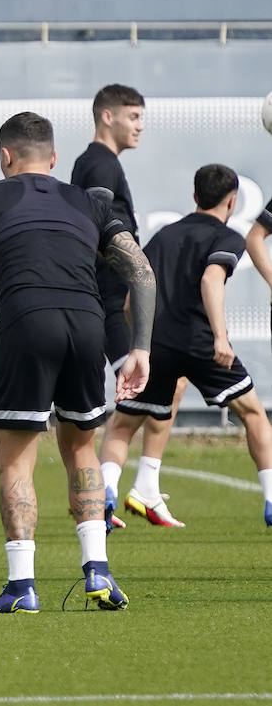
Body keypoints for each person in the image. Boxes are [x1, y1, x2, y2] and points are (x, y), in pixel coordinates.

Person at [0, 111, 154, 614]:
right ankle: (99, 573)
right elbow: (143, 273)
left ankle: (22, 586)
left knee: (17, 456)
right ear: (54, 159)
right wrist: (140, 348)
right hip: (86, 327)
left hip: (27, 324)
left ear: (4, 156)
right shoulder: (88, 201)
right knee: (81, 448)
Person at [115, 165, 272, 525]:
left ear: (194, 197)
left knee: (127, 422)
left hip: (157, 345)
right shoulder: (227, 236)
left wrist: (140, 344)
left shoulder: (162, 236)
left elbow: (131, 300)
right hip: (201, 344)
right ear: (232, 201)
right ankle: (271, 499)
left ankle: (127, 491)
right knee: (252, 414)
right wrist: (219, 336)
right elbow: (211, 280)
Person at [74, 84, 185, 529]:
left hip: (111, 296)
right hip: (111, 299)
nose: (140, 125)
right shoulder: (99, 164)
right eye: (133, 116)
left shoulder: (100, 162)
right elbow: (93, 222)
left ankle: (132, 488)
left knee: (159, 386)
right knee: (151, 385)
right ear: (107, 116)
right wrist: (123, 280)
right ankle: (121, 489)